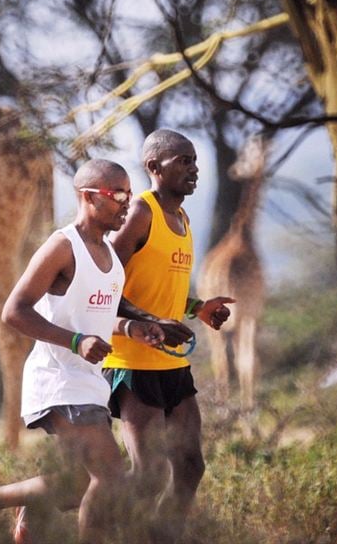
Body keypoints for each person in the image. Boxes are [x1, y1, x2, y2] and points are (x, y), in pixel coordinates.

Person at [0, 159, 164, 544]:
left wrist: (133, 328)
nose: (125, 203)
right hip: (58, 380)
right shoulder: (63, 246)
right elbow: (13, 311)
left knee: (79, 483)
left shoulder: (113, 259)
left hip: (90, 384)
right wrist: (74, 341)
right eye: (117, 195)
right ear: (87, 197)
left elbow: (98, 319)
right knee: (110, 477)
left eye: (129, 195)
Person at [103, 129, 235, 542]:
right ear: (154, 168)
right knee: (149, 476)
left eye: (194, 160)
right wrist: (148, 324)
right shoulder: (142, 213)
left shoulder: (183, 218)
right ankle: (48, 502)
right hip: (132, 362)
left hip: (173, 363)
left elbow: (160, 291)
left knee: (191, 466)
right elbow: (104, 285)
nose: (193, 169)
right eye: (183, 161)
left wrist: (197, 308)